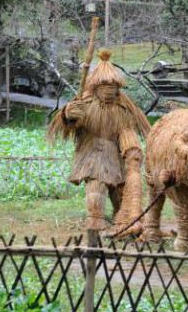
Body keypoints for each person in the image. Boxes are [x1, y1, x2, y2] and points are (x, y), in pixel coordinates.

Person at [48, 50, 150, 235]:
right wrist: (69, 115)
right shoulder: (84, 103)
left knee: (122, 193)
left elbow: (127, 131)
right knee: (96, 188)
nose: (109, 89)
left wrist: (132, 151)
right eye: (104, 85)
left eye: (113, 85)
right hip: (92, 153)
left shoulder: (124, 108)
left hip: (115, 155)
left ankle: (126, 219)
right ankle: (95, 220)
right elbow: (68, 125)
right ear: (95, 85)